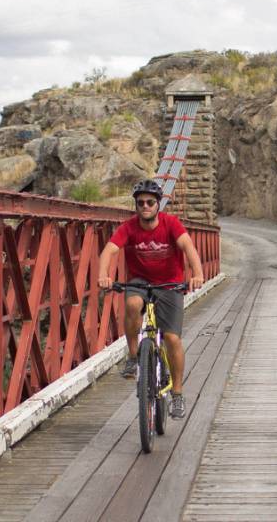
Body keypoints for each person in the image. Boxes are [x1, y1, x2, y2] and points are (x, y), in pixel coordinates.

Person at [97, 178, 207, 419]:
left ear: (158, 205)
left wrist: (197, 274)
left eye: (150, 202)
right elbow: (109, 250)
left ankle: (177, 395)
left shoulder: (171, 224)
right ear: (135, 206)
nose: (145, 206)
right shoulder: (129, 227)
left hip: (169, 283)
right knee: (132, 303)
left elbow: (188, 247)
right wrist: (103, 275)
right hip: (140, 281)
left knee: (171, 337)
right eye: (140, 203)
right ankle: (134, 357)